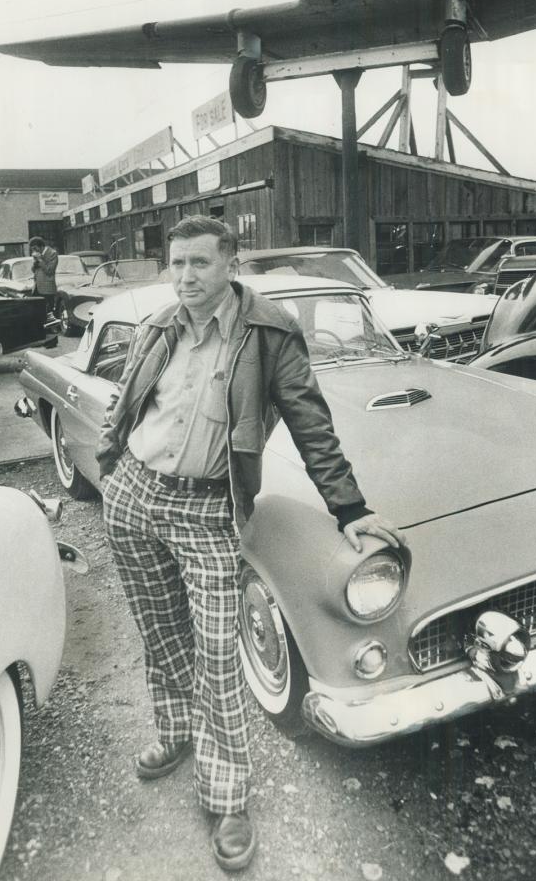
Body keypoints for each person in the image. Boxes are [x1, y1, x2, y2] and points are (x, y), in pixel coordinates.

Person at [96, 215, 401, 873]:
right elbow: (127, 402)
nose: (185, 277)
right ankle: (175, 734)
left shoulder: (268, 333)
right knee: (161, 631)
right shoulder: (159, 325)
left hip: (206, 510)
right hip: (133, 496)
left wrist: (349, 507)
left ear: (230, 263)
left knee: (217, 657)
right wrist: (110, 460)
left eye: (199, 264)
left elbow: (309, 419)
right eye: (176, 264)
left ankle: (226, 796)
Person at [28, 236, 58, 315]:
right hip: (37, 287)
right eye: (32, 249)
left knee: (48, 313)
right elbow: (33, 270)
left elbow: (50, 271)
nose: (34, 250)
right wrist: (35, 263)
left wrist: (40, 260)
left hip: (47, 289)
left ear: (41, 246)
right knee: (36, 312)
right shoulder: (37, 254)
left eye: (35, 248)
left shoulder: (52, 253)